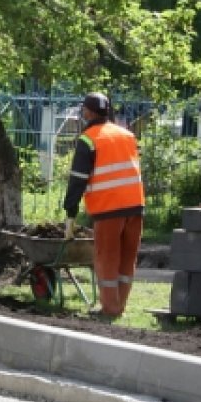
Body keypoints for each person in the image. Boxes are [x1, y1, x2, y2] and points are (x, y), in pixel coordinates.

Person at [62, 92, 145, 320]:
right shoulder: (127, 135)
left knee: (107, 258)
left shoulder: (88, 139)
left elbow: (78, 178)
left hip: (109, 209)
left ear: (88, 112)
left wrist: (70, 213)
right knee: (128, 258)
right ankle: (120, 305)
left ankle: (110, 309)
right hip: (136, 207)